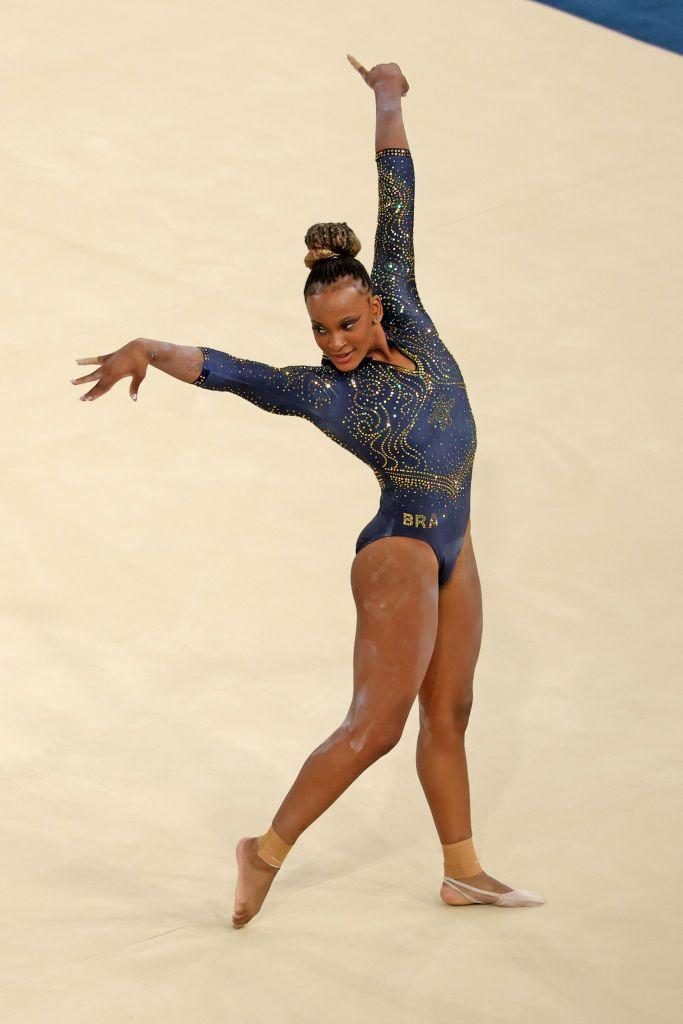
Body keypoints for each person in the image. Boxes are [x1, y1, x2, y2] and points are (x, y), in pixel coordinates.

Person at [70, 56, 544, 925]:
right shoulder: (326, 392)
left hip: (454, 543)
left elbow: (395, 198)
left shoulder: (404, 302)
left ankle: (462, 868)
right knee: (377, 726)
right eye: (321, 332)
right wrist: (151, 346)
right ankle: (265, 850)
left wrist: (388, 97)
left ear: (373, 305)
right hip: (400, 550)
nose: (334, 342)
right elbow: (230, 371)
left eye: (347, 324)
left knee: (452, 708)